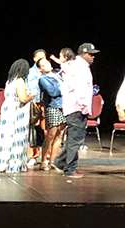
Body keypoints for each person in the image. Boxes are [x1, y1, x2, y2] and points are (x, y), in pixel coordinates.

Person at [52, 43, 99, 179]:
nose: (93, 57)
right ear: (83, 54)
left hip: (75, 107)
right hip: (77, 108)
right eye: (90, 54)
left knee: (74, 139)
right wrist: (84, 106)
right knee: (75, 140)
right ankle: (70, 169)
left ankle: (60, 162)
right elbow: (79, 88)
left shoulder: (78, 66)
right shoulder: (79, 67)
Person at [0, 59, 34, 173]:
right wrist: (31, 96)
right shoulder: (20, 81)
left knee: (6, 136)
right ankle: (14, 165)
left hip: (7, 109)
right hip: (17, 111)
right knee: (17, 137)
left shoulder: (9, 81)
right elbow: (22, 98)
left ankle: (2, 164)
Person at [37, 57, 66, 170]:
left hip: (64, 107)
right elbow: (52, 92)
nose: (47, 65)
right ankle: (44, 161)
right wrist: (64, 87)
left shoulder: (58, 75)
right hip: (52, 107)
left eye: (47, 63)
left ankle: (53, 161)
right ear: (40, 69)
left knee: (60, 134)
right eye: (43, 65)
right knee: (51, 134)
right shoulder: (43, 79)